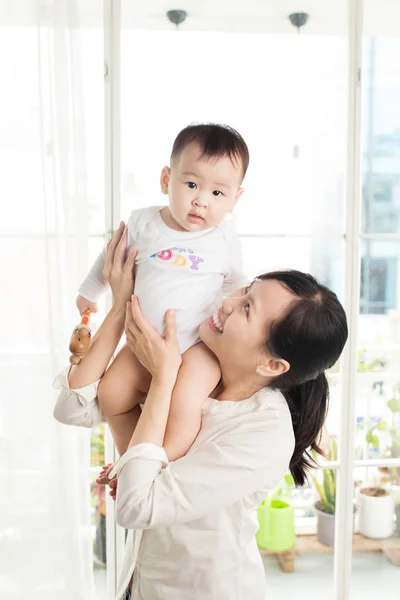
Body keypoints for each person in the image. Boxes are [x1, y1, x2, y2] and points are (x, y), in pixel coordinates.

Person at [53, 226, 348, 600]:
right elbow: (71, 409)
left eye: (246, 308)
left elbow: (136, 506)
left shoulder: (264, 434)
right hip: (138, 582)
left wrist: (163, 380)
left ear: (272, 365)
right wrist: (119, 307)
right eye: (245, 290)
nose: (227, 302)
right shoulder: (194, 360)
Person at [75, 123, 249, 459]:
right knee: (112, 393)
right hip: (140, 340)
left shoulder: (225, 239)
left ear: (235, 199)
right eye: (191, 184)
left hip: (196, 348)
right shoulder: (143, 222)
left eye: (217, 193)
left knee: (182, 403)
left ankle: (163, 463)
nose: (200, 200)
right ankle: (132, 462)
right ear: (166, 180)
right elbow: (109, 257)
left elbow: (236, 288)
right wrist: (90, 291)